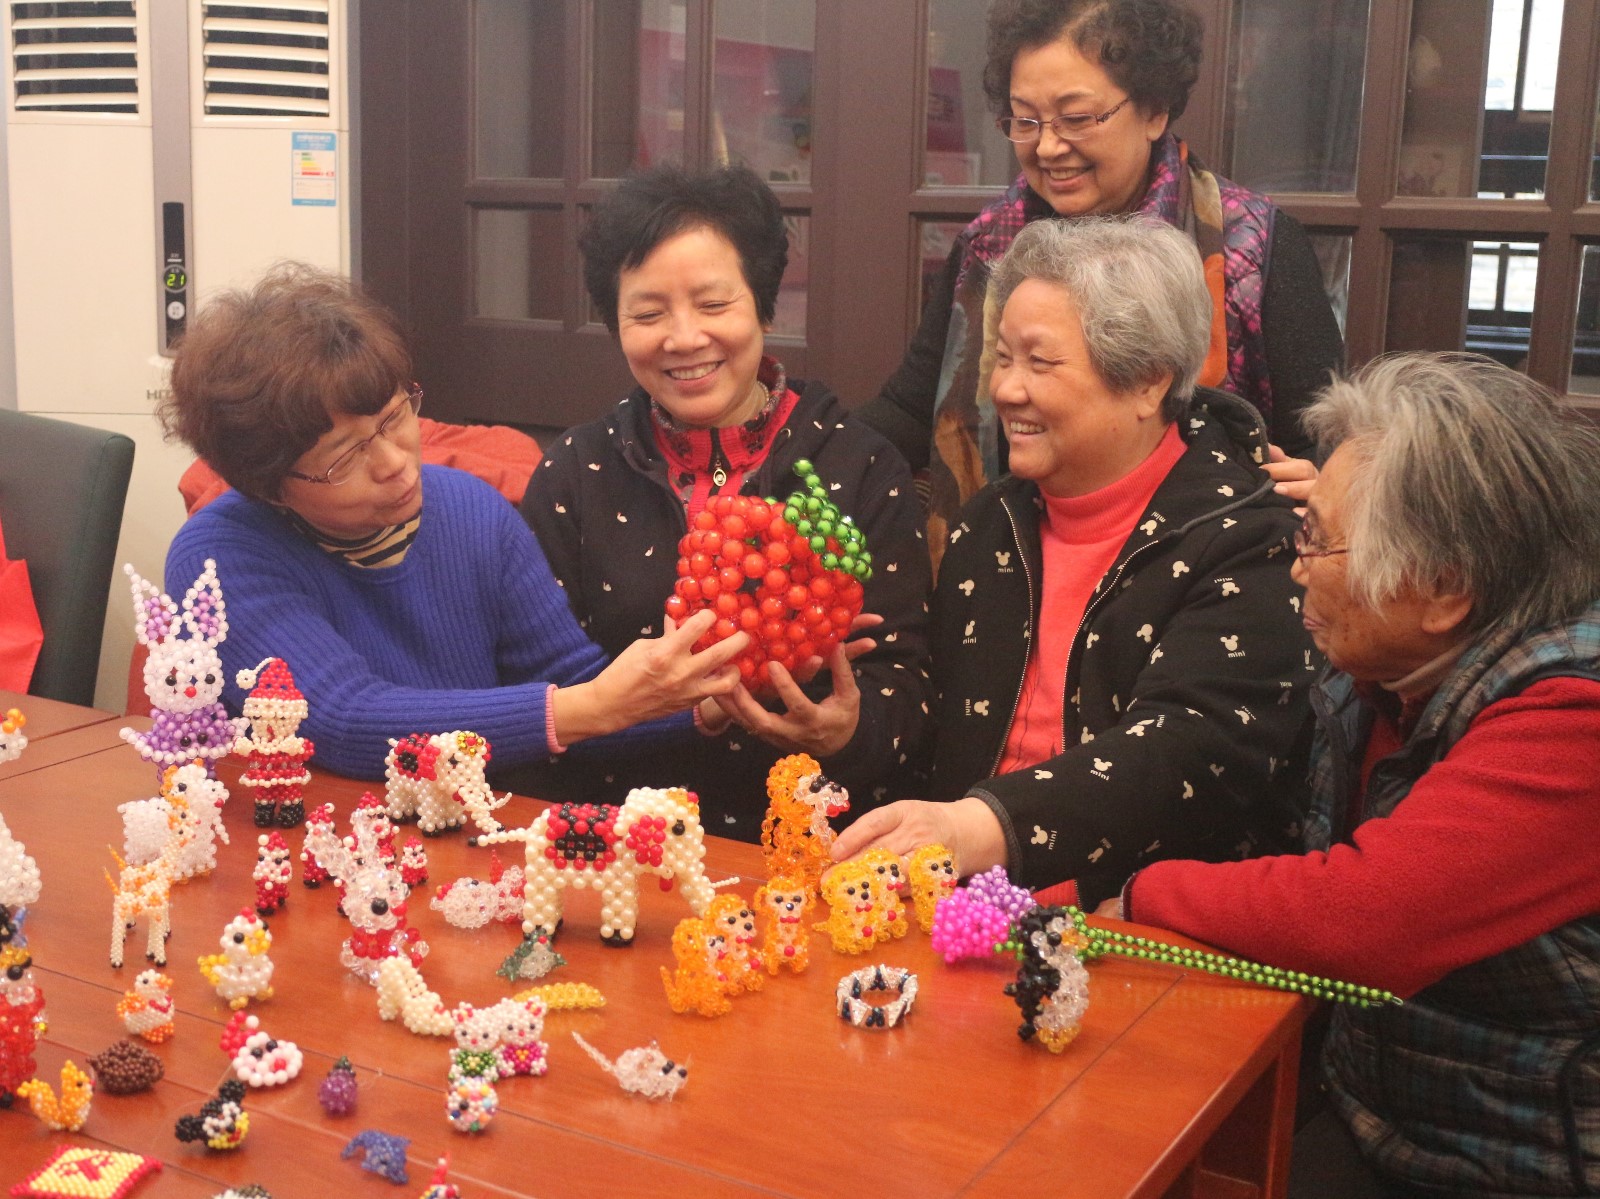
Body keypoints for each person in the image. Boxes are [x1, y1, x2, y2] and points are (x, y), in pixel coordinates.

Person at [1101, 353, 1600, 1198]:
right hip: (1381, 1108)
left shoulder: (1574, 718)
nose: (1295, 565)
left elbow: (1364, 918)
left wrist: (1144, 893)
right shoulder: (1382, 674)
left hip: (1522, 1158)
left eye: (1318, 539)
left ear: (1443, 588)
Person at [833, 215, 1316, 908]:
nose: (1005, 390)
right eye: (1002, 357)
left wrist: (977, 827)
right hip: (958, 916)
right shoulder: (990, 523)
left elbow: (1185, 752)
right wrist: (850, 731)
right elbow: (937, 741)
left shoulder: (1250, 538)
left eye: (1040, 362)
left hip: (1141, 927)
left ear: (1148, 382)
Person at [160, 264, 746, 781]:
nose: (394, 463)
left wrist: (711, 700)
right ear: (268, 486)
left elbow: (575, 687)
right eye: (347, 455)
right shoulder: (219, 557)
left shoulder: (472, 511)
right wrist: (589, 707)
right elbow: (341, 719)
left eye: (395, 418)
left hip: (476, 838)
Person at [518, 164, 931, 838]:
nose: (684, 338)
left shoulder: (859, 466)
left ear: (763, 305)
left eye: (713, 305)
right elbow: (539, 694)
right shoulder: (575, 473)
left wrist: (848, 732)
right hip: (617, 846)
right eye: (648, 313)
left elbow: (909, 685)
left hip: (814, 851)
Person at [858, 0, 1343, 558]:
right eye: (1026, 120)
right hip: (1011, 564)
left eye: (1077, 118)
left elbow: (1325, 439)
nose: (1047, 147)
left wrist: (1327, 483)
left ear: (1154, 110)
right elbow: (910, 411)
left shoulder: (1252, 247)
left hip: (1207, 569)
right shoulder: (989, 246)